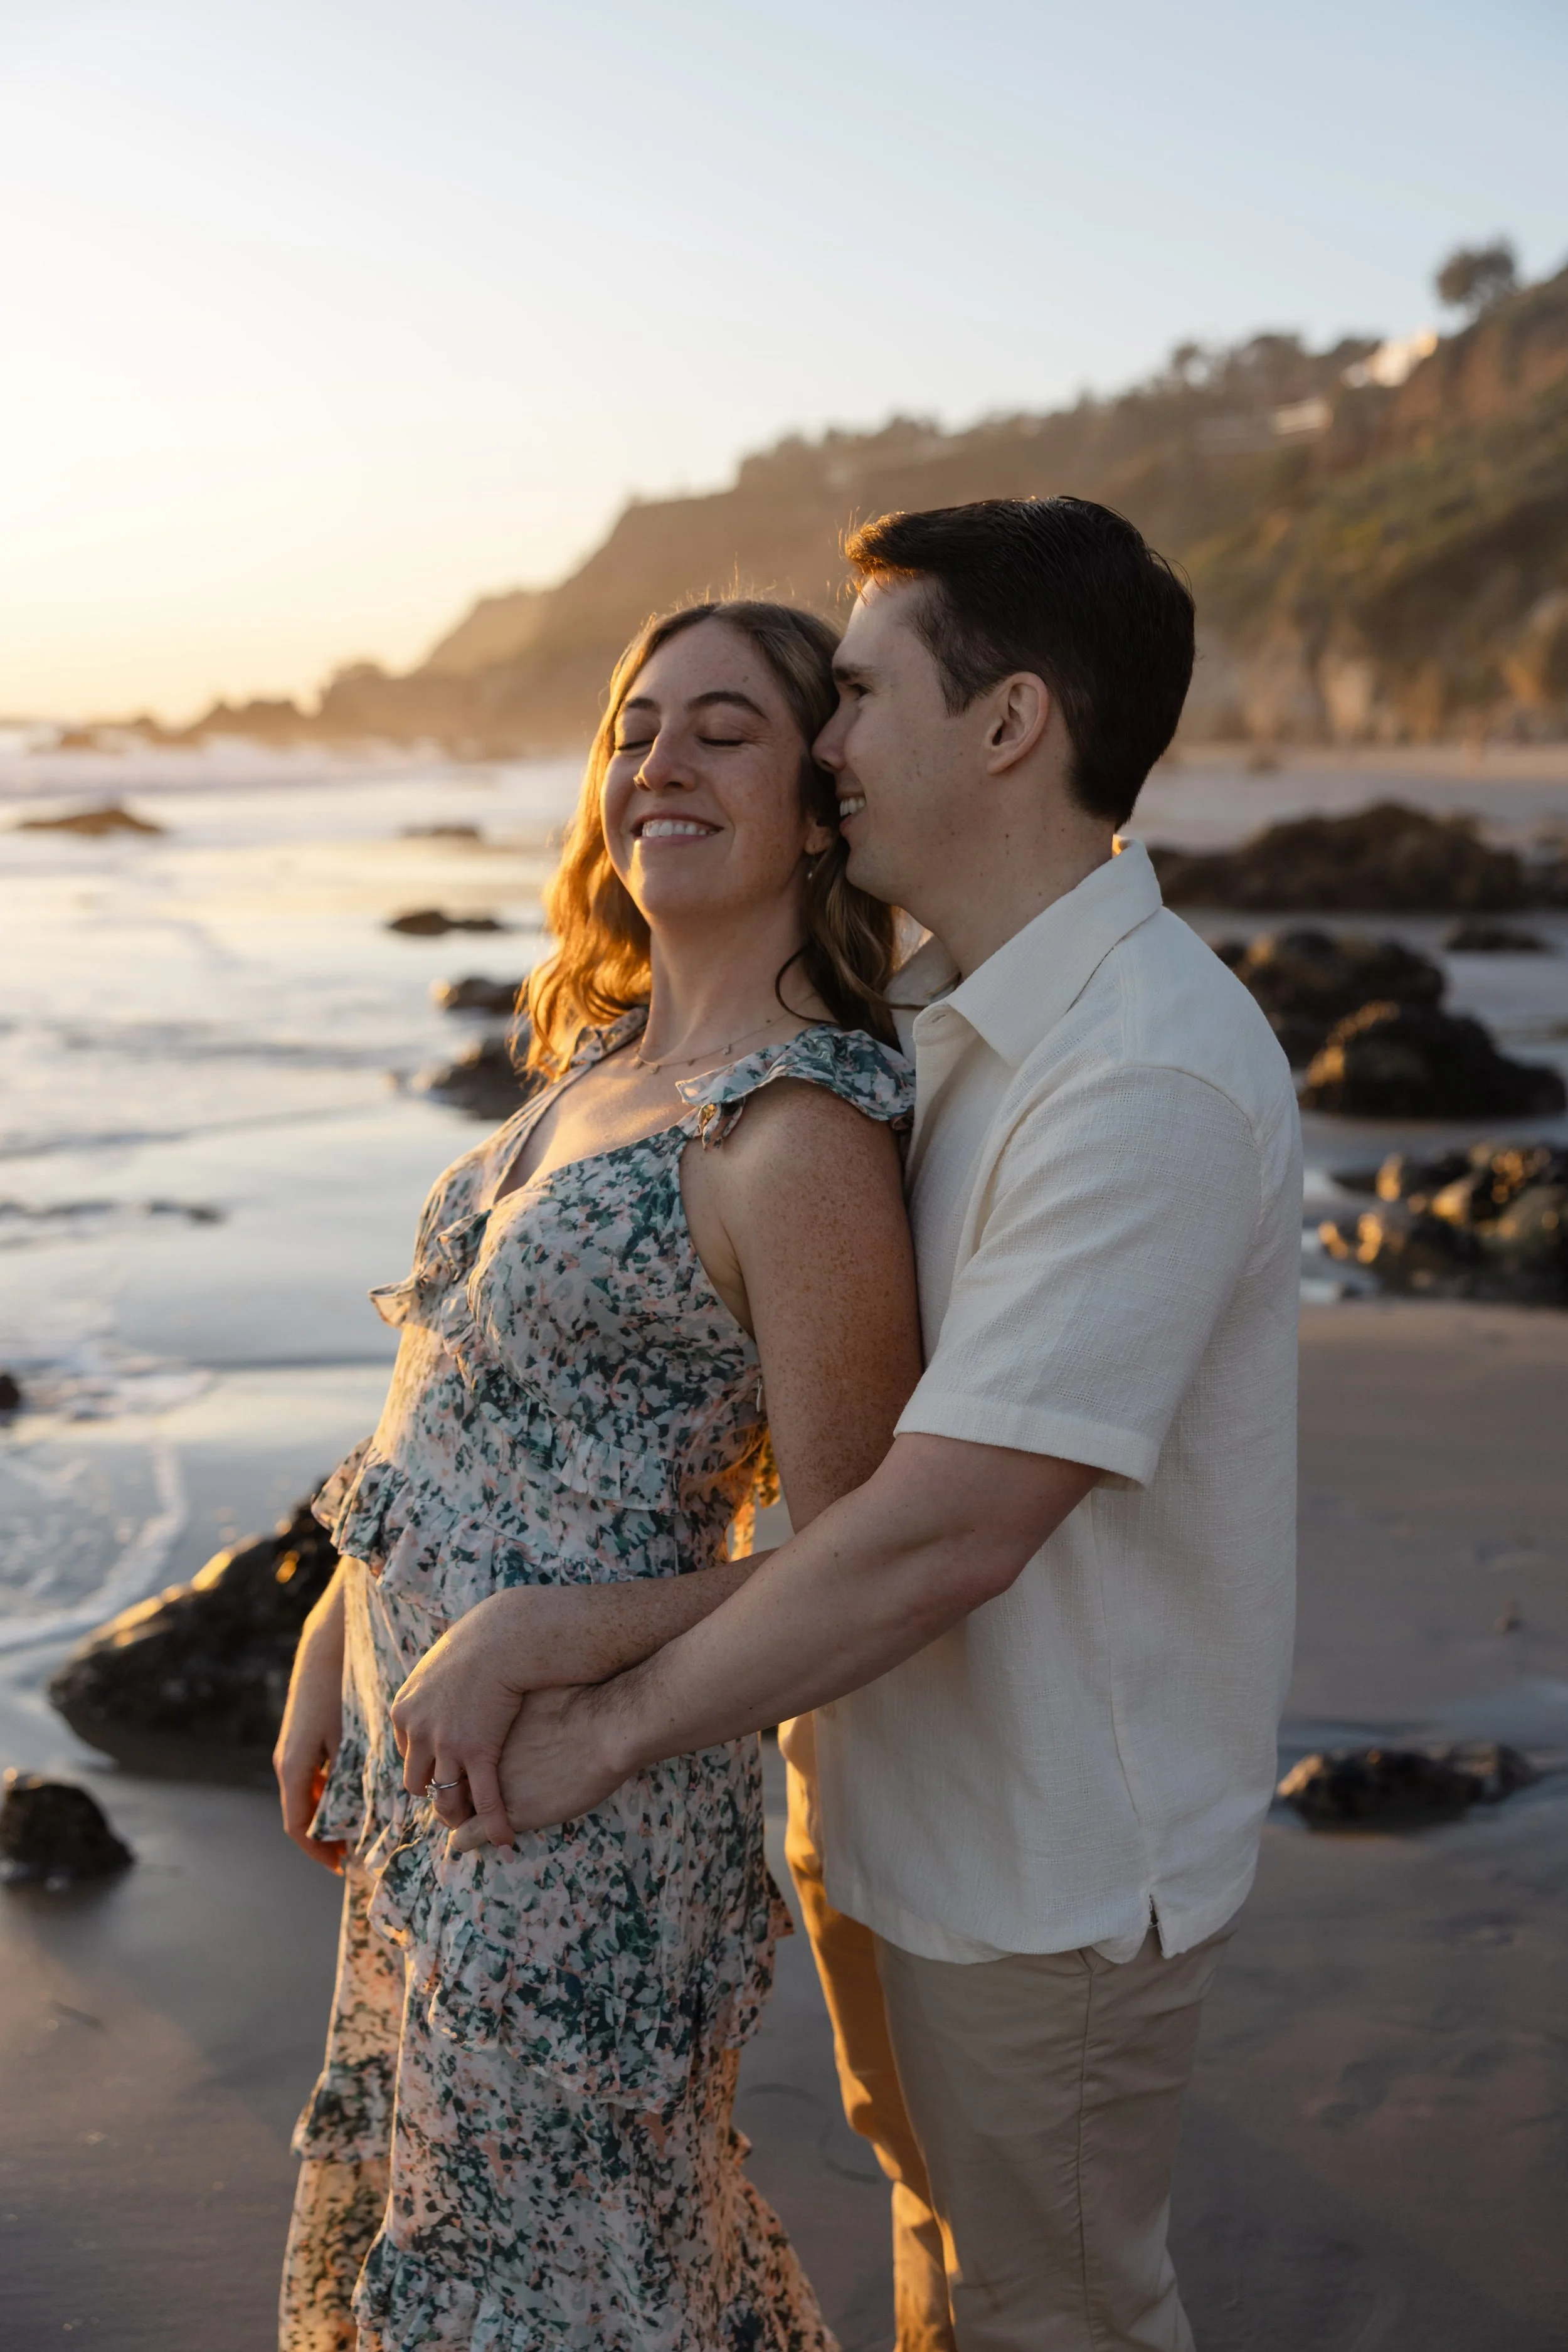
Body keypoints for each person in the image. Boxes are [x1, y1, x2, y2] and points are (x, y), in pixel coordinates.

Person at [416, 497, 1303, 2352]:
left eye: (860, 696)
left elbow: (941, 1526)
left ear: (1007, 725)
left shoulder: (1139, 1073)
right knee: (935, 2251)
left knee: (1054, 2308)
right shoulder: (940, 1016)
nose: (824, 747)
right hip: (884, 1797)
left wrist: (604, 1714)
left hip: (1045, 1862)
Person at [272, 597, 924, 2352]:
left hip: (583, 1803)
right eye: (638, 726)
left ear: (817, 801)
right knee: (443, 2219)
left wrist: (551, 1629)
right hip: (440, 1766)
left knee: (567, 2278)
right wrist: (345, 1617)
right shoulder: (594, 1067)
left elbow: (867, 1551)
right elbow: (460, 1377)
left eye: (724, 727)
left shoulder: (795, 1131)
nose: (659, 762)